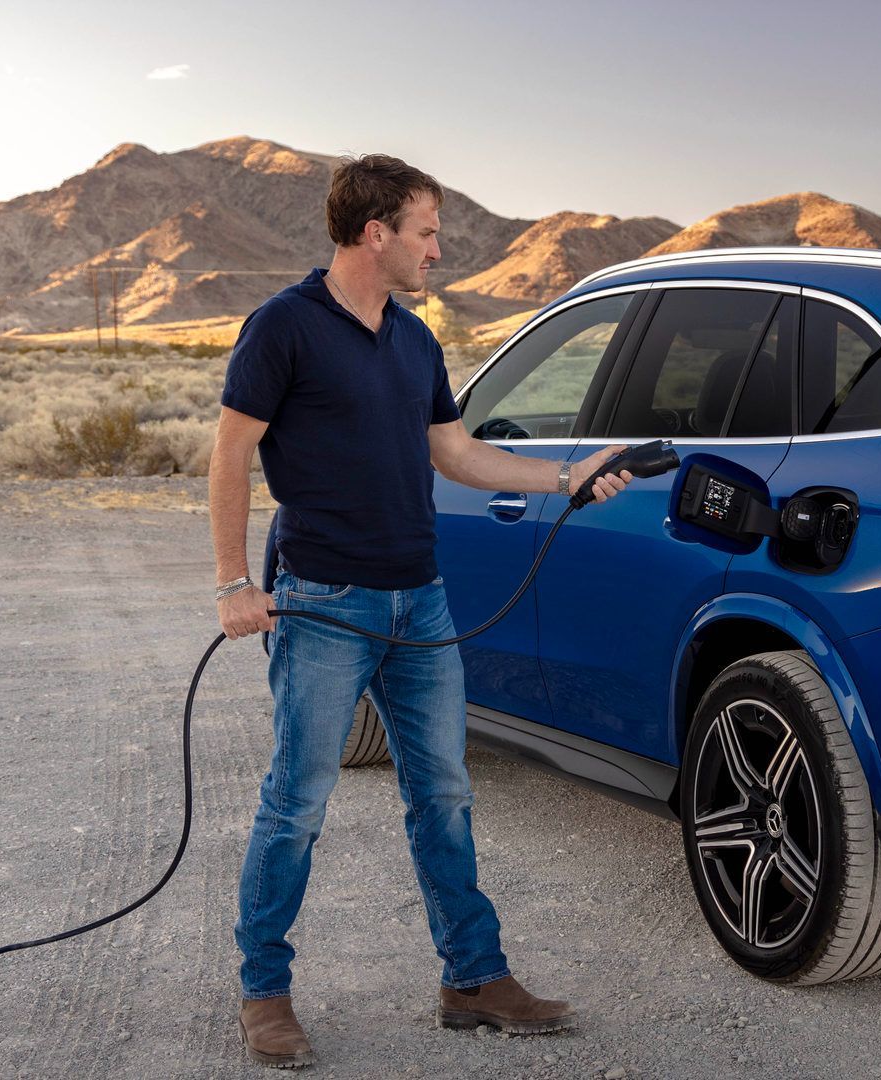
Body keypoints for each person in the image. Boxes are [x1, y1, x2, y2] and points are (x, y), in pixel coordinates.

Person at [208, 153, 634, 1069]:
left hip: (422, 602)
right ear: (376, 232)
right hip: (323, 602)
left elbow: (460, 455)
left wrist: (571, 475)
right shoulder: (283, 327)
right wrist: (235, 582)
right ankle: (264, 991)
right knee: (298, 801)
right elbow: (231, 455)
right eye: (428, 231)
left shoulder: (414, 342)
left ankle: (473, 978)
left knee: (442, 793)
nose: (439, 250)